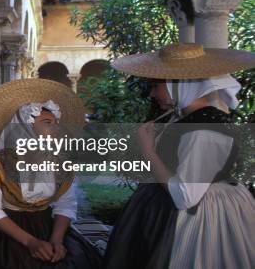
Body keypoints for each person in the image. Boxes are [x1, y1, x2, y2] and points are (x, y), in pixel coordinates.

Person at [104, 42, 255, 268]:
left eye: (156, 85)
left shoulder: (204, 129)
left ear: (180, 85)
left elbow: (185, 195)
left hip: (198, 221)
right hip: (167, 210)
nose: (152, 93)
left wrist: (147, 151)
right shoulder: (184, 119)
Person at [0, 78, 103, 269]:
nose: (56, 129)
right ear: (25, 128)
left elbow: (66, 204)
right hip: (13, 230)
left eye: (55, 123)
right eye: (47, 123)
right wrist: (31, 242)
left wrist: (57, 240)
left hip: (49, 226)